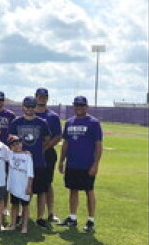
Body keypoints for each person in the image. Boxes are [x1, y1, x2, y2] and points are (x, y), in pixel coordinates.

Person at [58, 96, 103, 232]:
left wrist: (95, 164)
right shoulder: (69, 122)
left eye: (82, 105)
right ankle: (72, 218)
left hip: (87, 164)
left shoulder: (93, 123)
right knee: (73, 190)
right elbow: (65, 143)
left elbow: (98, 146)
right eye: (77, 105)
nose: (79, 108)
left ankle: (90, 220)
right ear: (73, 106)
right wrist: (61, 161)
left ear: (86, 107)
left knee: (89, 191)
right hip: (72, 163)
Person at [9, 97, 51, 228]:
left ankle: (40, 217)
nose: (30, 109)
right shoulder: (16, 122)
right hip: (20, 163)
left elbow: (47, 139)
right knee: (21, 189)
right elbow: (11, 141)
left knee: (41, 190)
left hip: (38, 161)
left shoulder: (42, 122)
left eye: (32, 106)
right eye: (27, 106)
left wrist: (39, 150)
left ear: (36, 107)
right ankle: (19, 215)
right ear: (23, 107)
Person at [34, 87, 62, 223]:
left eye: (44, 96)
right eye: (39, 96)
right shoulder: (29, 113)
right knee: (26, 182)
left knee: (47, 183)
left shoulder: (53, 116)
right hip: (30, 154)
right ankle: (22, 212)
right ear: (35, 97)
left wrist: (46, 147)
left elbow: (58, 136)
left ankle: (50, 213)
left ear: (47, 98)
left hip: (47, 153)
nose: (41, 98)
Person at [5, 135, 34, 234]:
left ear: (22, 144)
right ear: (10, 147)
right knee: (14, 205)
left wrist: (29, 186)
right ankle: (13, 224)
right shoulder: (10, 154)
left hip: (24, 185)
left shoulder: (27, 156)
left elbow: (30, 173)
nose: (16, 146)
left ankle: (24, 226)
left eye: (18, 143)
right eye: (13, 145)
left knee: (25, 206)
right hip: (14, 185)